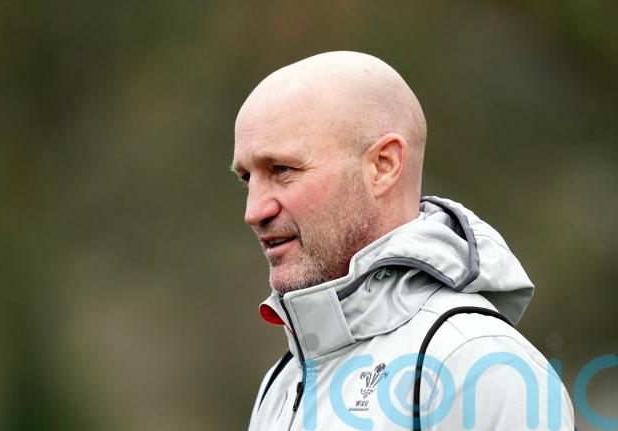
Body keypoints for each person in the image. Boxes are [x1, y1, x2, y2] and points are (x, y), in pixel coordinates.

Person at [231, 51, 575, 430]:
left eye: (282, 169)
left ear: (384, 166)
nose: (254, 211)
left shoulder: (479, 364)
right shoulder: (281, 382)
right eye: (247, 178)